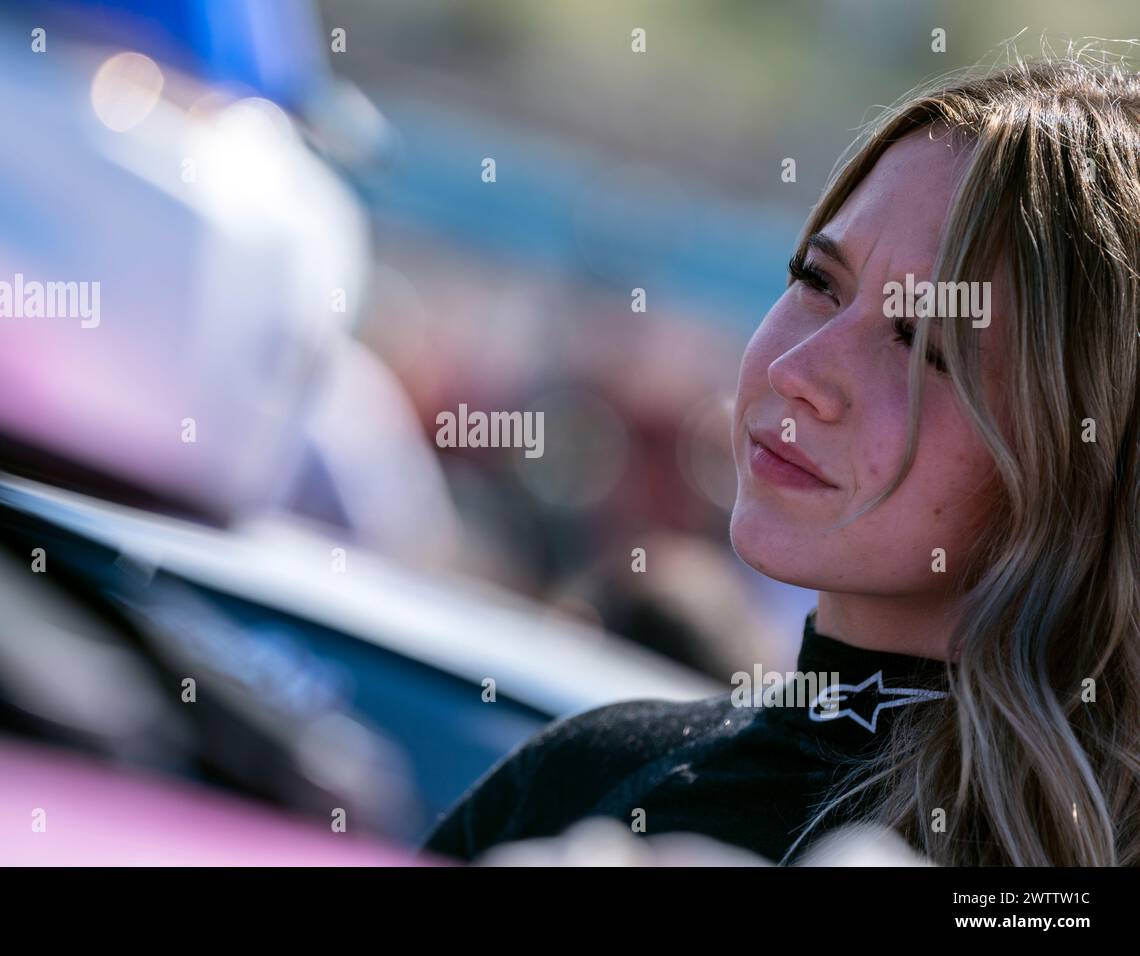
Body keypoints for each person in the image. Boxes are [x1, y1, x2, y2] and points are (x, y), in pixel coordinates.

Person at [421, 52, 1140, 866]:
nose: (800, 373)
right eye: (817, 281)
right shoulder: (582, 782)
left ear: (1082, 454)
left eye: (924, 346)